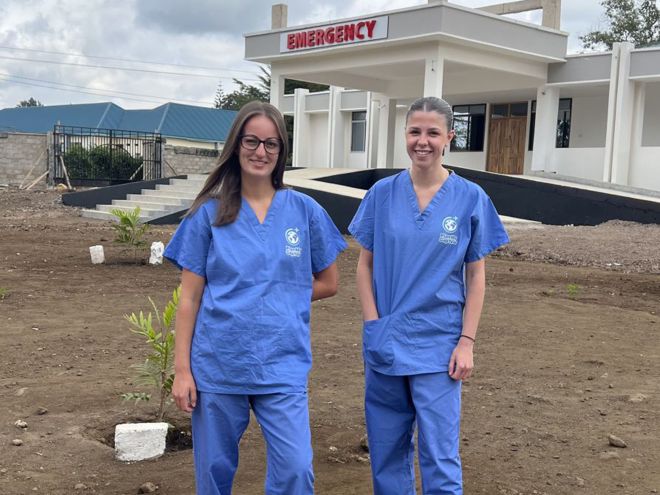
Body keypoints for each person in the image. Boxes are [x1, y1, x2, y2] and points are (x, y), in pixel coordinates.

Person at [164, 101, 347, 495]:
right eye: (251, 141)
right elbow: (190, 299)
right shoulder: (207, 215)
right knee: (213, 474)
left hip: (282, 365)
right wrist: (182, 371)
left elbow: (328, 281)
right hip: (218, 366)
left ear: (282, 152)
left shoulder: (304, 211)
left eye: (271, 144)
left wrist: (279, 297)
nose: (260, 152)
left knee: (296, 470)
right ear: (236, 144)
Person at [348, 96, 509, 494]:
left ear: (449, 137)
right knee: (387, 451)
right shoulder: (382, 194)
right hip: (385, 341)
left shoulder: (470, 198)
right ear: (405, 135)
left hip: (440, 344)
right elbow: (364, 266)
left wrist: (467, 342)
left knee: (439, 454)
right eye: (415, 131)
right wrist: (373, 325)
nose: (423, 141)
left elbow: (476, 277)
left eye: (433, 133)